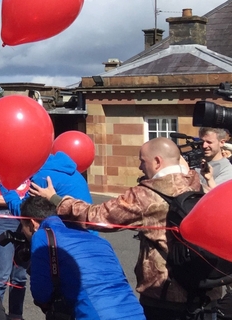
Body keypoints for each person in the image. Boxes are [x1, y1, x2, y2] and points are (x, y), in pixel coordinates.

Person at [31, 137, 223, 319]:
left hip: (166, 296)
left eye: (142, 161)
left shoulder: (146, 195)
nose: (140, 166)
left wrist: (55, 199)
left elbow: (97, 217)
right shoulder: (200, 187)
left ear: (157, 162)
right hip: (207, 292)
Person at [20, 196, 144, 319]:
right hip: (134, 312)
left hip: (96, 315)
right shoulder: (99, 240)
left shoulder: (43, 236)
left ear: (32, 224)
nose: (22, 232)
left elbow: (41, 294)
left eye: (23, 227)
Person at [0, 164, 29, 319]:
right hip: (3, 219)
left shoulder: (29, 164)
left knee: (20, 276)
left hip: (24, 220)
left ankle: (16, 315)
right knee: (1, 276)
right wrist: (21, 201)